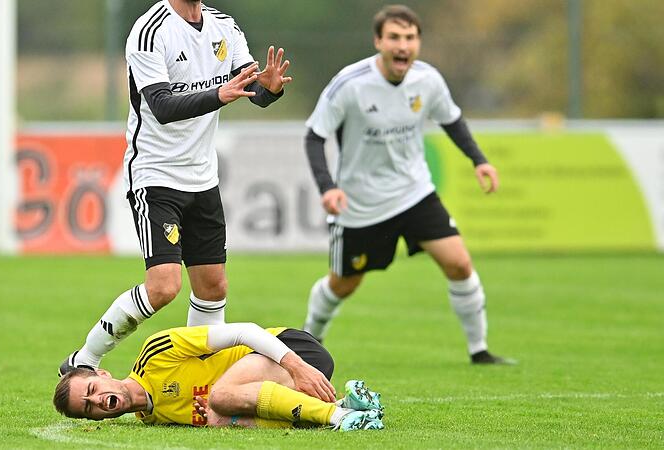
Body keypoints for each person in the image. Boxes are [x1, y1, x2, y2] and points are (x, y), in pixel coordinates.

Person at [59, 0, 292, 375]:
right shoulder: (150, 30)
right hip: (156, 175)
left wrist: (270, 89)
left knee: (213, 286)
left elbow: (250, 89)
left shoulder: (224, 26)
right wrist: (220, 95)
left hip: (203, 177)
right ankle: (84, 358)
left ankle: (195, 377)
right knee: (164, 286)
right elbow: (162, 107)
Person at [302, 5, 513, 364]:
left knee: (460, 264)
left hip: (414, 193)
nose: (403, 46)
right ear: (378, 41)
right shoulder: (350, 84)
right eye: (395, 38)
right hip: (361, 203)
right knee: (344, 284)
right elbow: (314, 136)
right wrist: (328, 188)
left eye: (410, 38)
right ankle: (308, 340)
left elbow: (453, 120)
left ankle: (480, 351)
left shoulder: (428, 80)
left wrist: (479, 160)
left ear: (418, 42)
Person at [53, 322, 385, 431]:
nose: (97, 400)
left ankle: (339, 416)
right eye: (89, 406)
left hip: (289, 351)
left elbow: (246, 331)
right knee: (217, 418)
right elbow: (221, 414)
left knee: (220, 398)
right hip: (280, 388)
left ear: (103, 373)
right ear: (96, 417)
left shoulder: (156, 352)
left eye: (92, 388)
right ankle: (346, 406)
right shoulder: (153, 419)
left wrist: (297, 365)